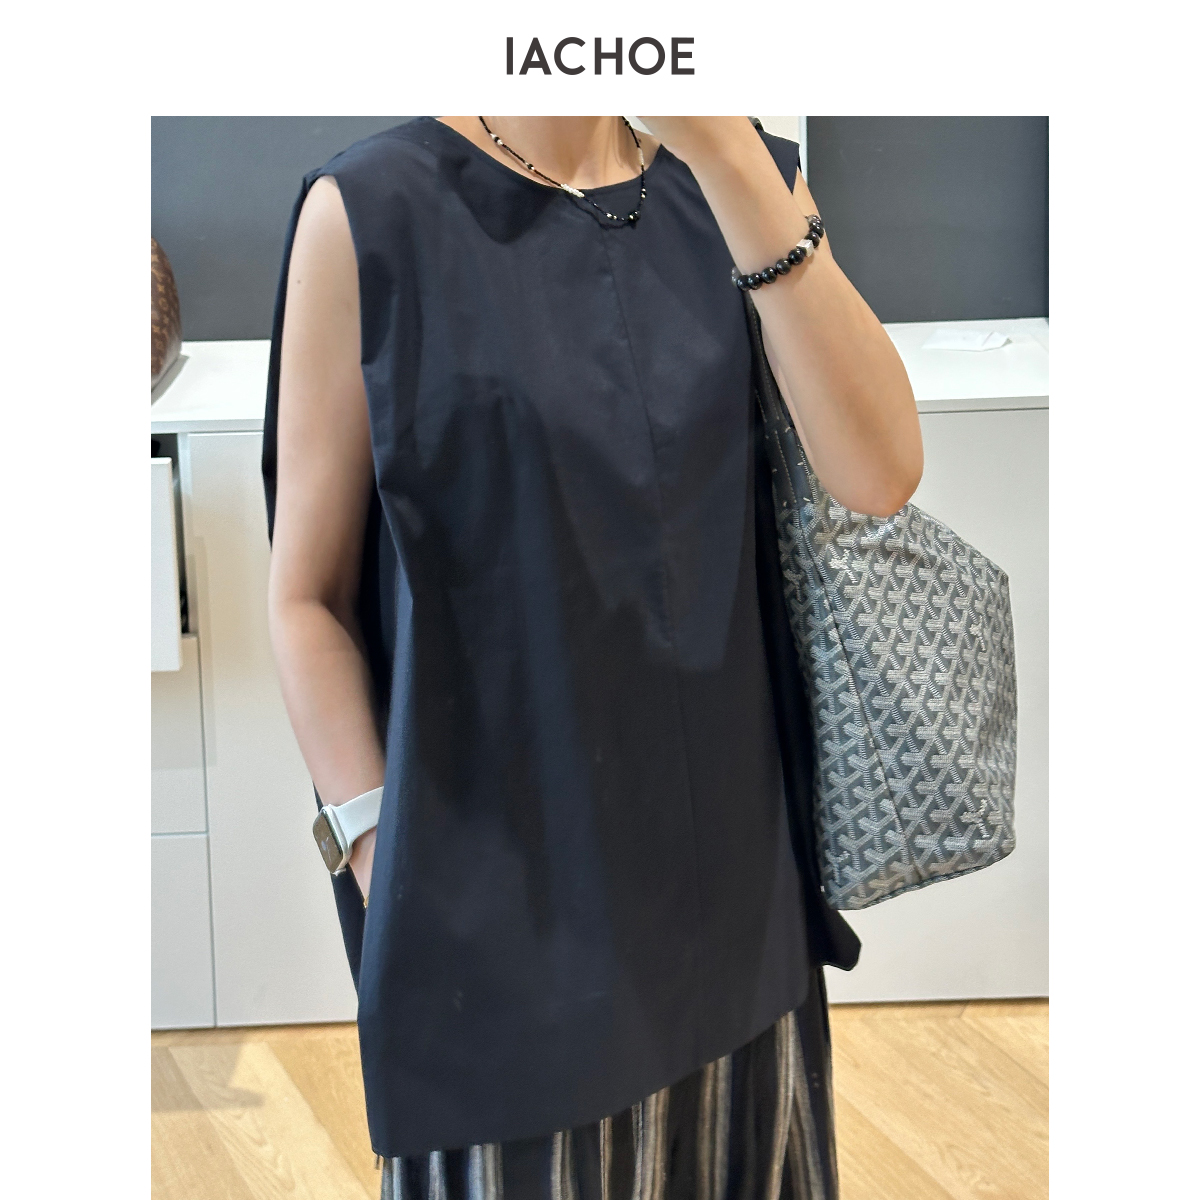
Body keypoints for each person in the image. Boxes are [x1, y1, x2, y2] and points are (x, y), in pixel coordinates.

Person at [264, 115, 921, 1200]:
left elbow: (880, 474)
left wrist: (726, 156)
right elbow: (307, 598)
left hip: (739, 924)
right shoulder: (372, 213)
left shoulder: (743, 177)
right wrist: (387, 856)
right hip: (499, 952)